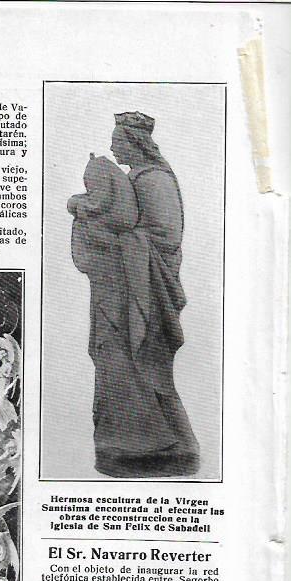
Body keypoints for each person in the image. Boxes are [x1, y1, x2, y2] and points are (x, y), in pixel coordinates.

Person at [68, 111, 199, 478]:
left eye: (118, 141)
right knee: (111, 358)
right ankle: (123, 443)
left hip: (144, 295)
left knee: (135, 362)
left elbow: (166, 239)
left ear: (137, 144)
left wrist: (106, 234)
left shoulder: (154, 180)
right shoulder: (131, 180)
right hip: (119, 289)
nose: (112, 146)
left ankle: (158, 446)